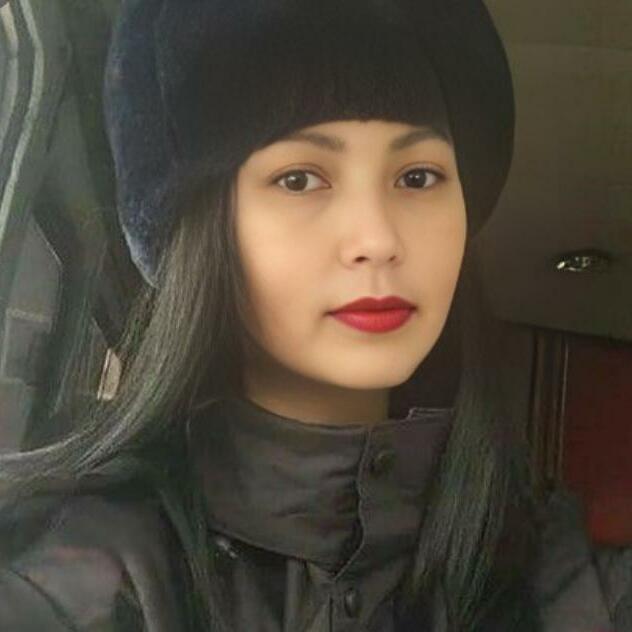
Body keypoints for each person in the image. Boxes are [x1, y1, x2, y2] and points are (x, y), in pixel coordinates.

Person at [0, 1, 629, 630]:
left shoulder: (553, 570)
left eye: (417, 177)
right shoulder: (82, 563)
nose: (378, 238)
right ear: (207, 231)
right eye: (300, 179)